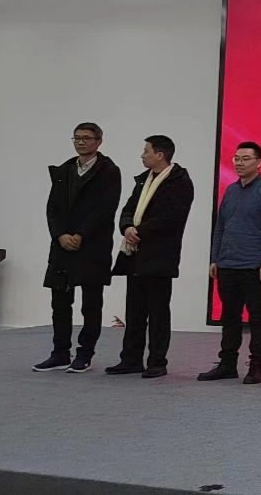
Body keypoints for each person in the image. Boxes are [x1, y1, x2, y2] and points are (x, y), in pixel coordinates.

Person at [33, 122, 122, 374]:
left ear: (98, 141)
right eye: (77, 138)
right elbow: (52, 209)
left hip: (93, 245)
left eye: (86, 138)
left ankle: (85, 354)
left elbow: (106, 208)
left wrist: (81, 234)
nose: (81, 142)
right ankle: (60, 352)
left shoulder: (109, 171)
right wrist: (60, 234)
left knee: (91, 303)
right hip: (62, 246)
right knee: (60, 301)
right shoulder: (64, 170)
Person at [105, 135, 195, 379]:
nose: (142, 155)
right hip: (135, 255)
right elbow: (128, 209)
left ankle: (157, 361)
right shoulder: (144, 179)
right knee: (134, 311)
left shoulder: (180, 182)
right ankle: (131, 359)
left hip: (160, 256)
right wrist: (127, 227)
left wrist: (139, 231)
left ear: (160, 155)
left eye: (146, 151)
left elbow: (172, 218)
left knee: (158, 313)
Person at [198, 141, 261, 385]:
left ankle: (256, 365)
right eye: (236, 158)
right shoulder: (231, 190)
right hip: (227, 264)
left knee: (257, 317)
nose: (239, 163)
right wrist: (215, 258)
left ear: (259, 162)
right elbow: (221, 226)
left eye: (245, 159)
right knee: (229, 316)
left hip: (254, 266)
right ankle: (227, 363)